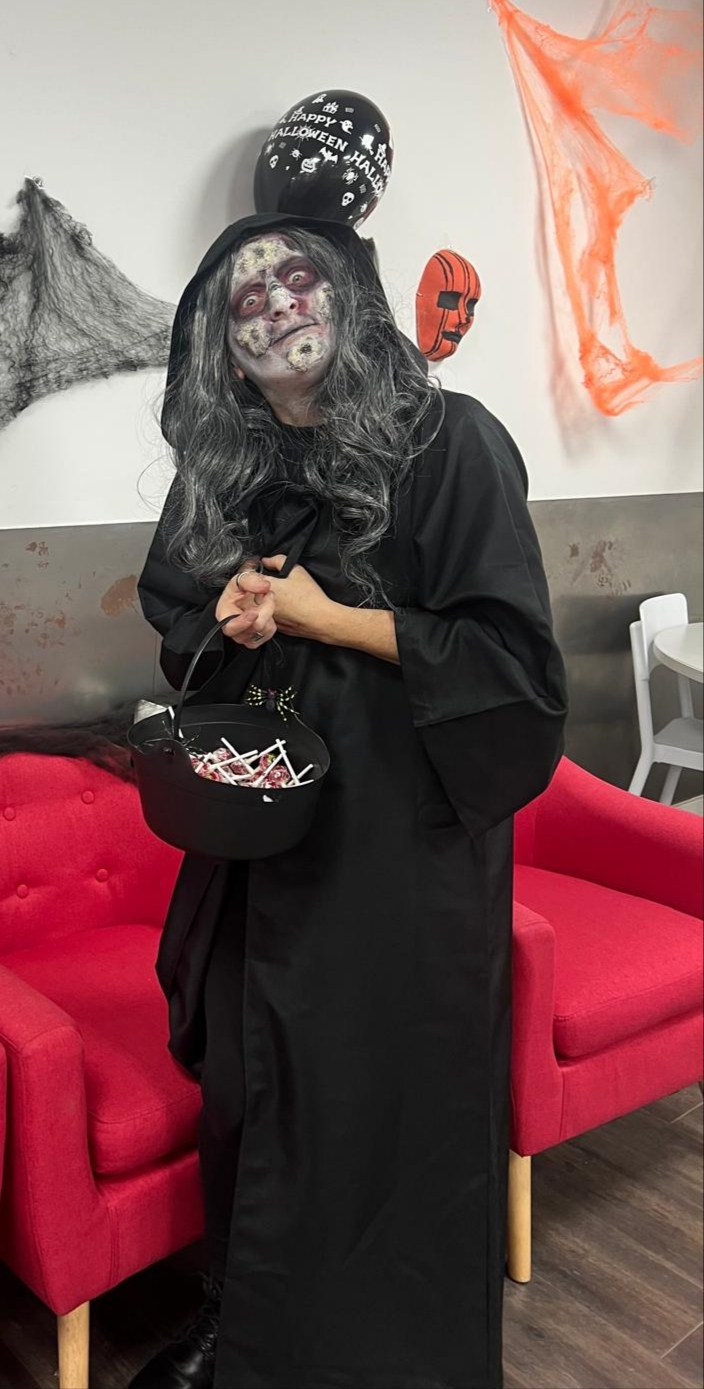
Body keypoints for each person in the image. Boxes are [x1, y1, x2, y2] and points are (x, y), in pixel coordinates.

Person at [131, 211, 568, 1389]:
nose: (275, 302)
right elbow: (174, 615)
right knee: (250, 1095)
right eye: (245, 297)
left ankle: (391, 1361)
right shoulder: (223, 470)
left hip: (397, 860)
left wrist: (331, 620)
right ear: (221, 352)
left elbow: (515, 673)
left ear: (349, 296)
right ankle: (245, 1331)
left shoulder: (452, 444)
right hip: (253, 845)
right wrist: (224, 616)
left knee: (382, 1111)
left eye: (295, 275)